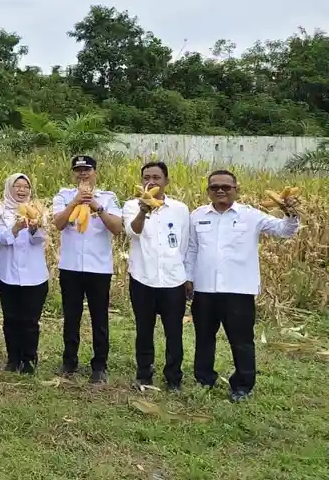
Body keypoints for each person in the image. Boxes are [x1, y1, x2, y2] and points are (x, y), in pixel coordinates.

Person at [185, 170, 299, 402]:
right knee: (204, 338)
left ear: (236, 189)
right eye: (214, 187)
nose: (220, 190)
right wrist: (188, 279)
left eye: (226, 187)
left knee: (242, 341)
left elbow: (285, 231)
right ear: (208, 191)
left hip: (239, 290)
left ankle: (242, 385)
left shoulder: (251, 216)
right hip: (205, 289)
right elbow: (192, 249)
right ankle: (204, 378)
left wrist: (290, 212)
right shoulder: (197, 216)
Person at [50, 155, 124, 384]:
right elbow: (58, 224)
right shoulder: (63, 196)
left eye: (87, 170)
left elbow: (117, 228)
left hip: (98, 268)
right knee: (71, 316)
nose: (83, 174)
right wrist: (74, 202)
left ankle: (100, 365)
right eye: (78, 170)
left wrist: (96, 206)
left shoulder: (108, 198)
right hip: (71, 266)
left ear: (95, 173)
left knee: (99, 318)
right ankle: (69, 361)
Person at [123, 161, 189, 391]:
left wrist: (186, 275)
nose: (151, 182)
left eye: (156, 177)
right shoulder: (132, 205)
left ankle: (174, 377)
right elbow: (132, 232)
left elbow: (184, 244)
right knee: (144, 330)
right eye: (146, 178)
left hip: (173, 280)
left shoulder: (180, 209)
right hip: (143, 278)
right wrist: (143, 210)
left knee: (174, 332)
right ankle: (144, 373)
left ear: (166, 181)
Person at [0, 173, 49, 374]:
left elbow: (40, 239)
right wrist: (15, 228)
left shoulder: (38, 211)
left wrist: (34, 228)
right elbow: (2, 239)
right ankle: (13, 358)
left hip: (35, 274)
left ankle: (29, 358)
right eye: (17, 186)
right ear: (9, 188)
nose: (22, 190)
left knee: (31, 320)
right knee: (11, 318)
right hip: (7, 273)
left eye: (26, 186)